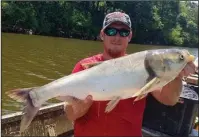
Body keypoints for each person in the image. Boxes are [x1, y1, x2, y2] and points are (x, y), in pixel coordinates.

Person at [64, 11, 196, 136]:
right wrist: (79, 108)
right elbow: (70, 115)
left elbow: (169, 100)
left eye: (123, 32)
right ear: (102, 35)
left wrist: (176, 75)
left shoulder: (145, 65)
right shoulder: (84, 66)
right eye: (111, 31)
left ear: (130, 36)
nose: (117, 37)